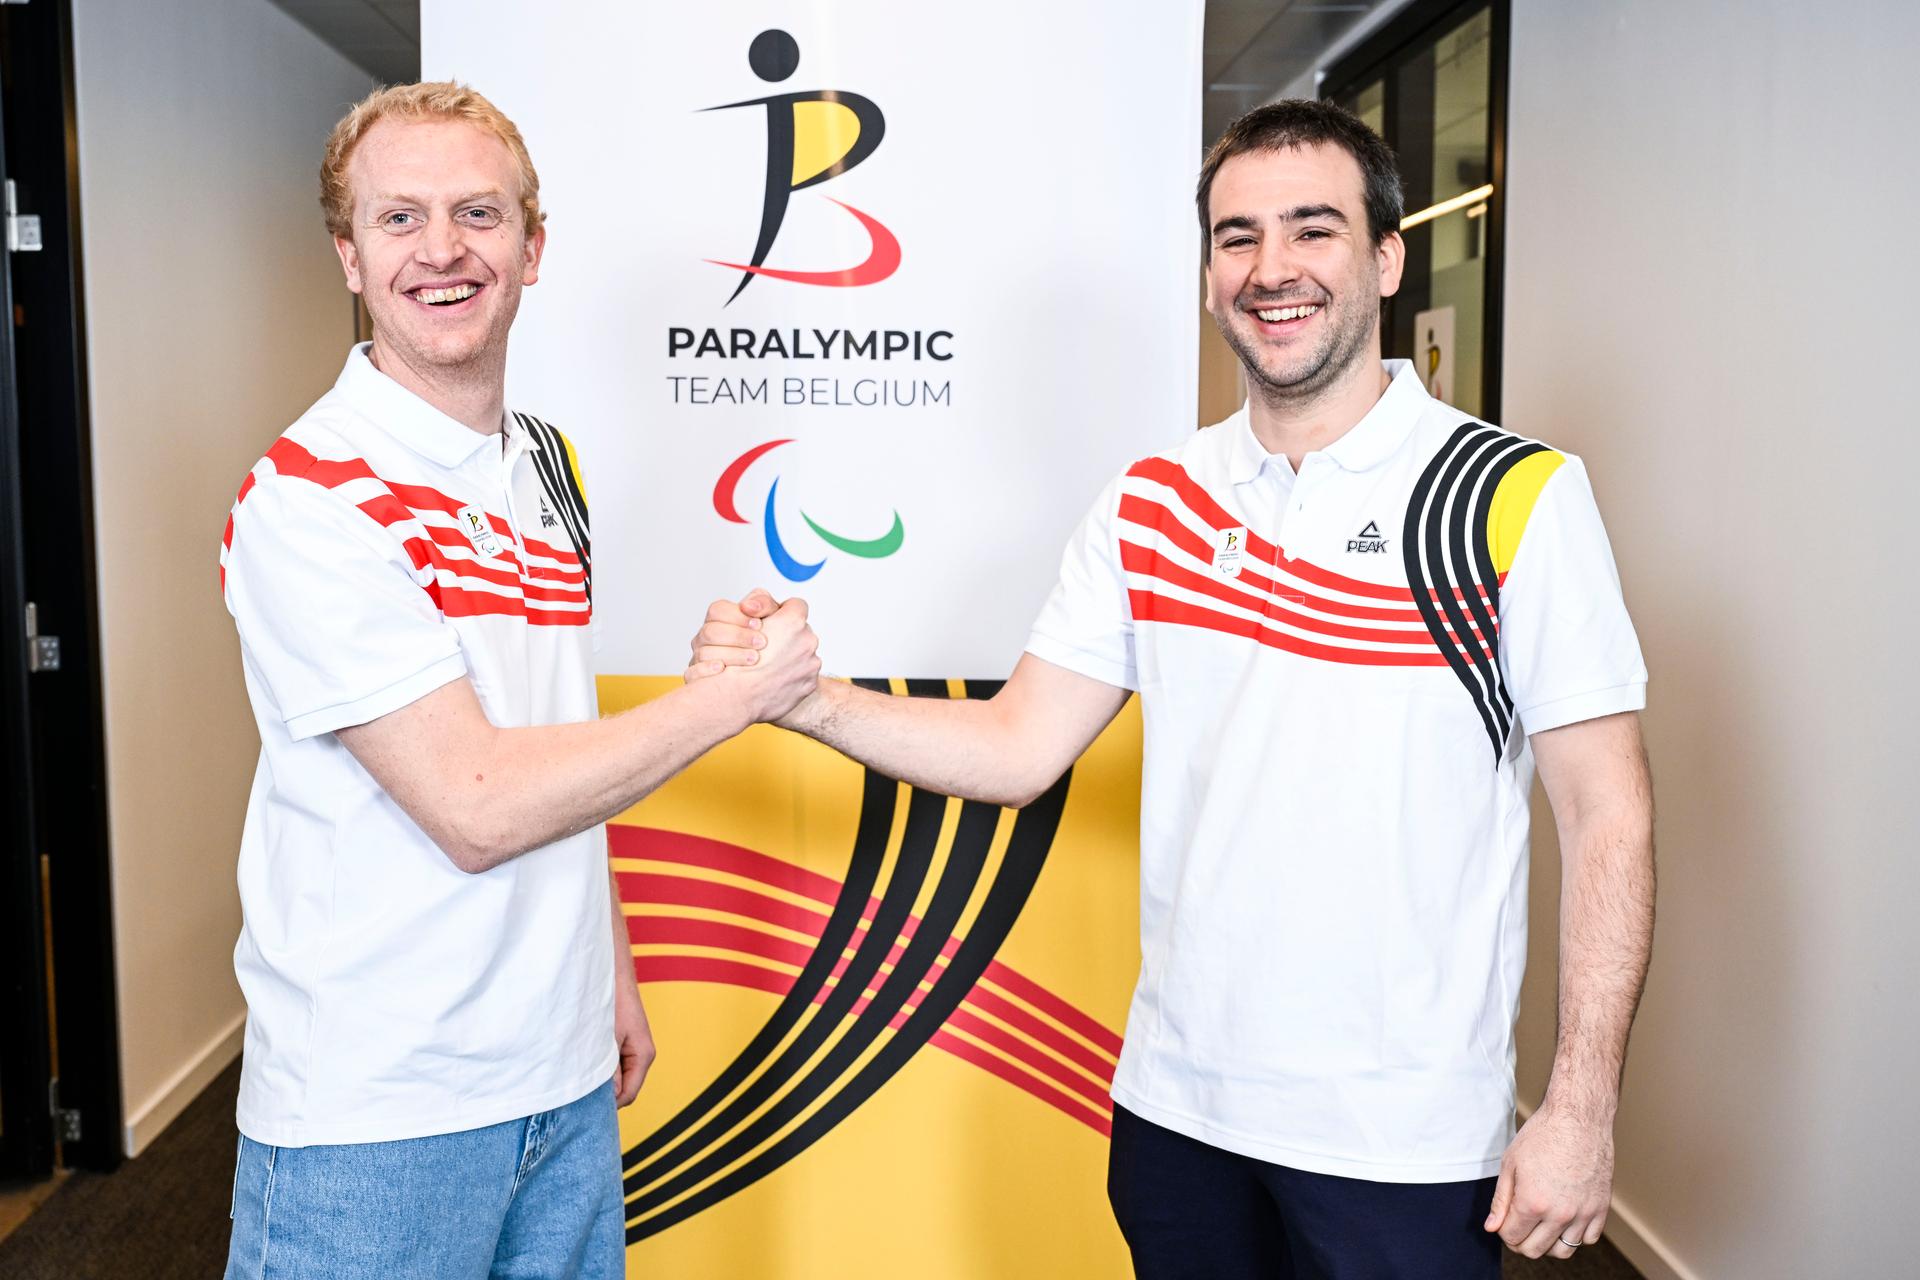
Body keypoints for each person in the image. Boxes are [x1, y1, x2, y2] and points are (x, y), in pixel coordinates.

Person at [692, 99, 1654, 1276]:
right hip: (1179, 1110)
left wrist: (1583, 1104)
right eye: (1238, 237)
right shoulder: (1151, 501)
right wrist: (807, 699)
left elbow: (1608, 814)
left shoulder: (1514, 496)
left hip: (1402, 1136)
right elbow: (1018, 744)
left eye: (1314, 229)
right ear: (1208, 273)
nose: (1272, 268)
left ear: (1388, 257)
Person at [218, 82, 819, 1279]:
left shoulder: (544, 463)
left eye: (478, 214)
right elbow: (480, 800)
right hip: (380, 1115)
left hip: (561, 1078)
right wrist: (731, 697)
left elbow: (552, 730)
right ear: (349, 254)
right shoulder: (309, 497)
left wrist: (610, 970)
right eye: (399, 219)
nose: (442, 249)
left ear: (531, 248)